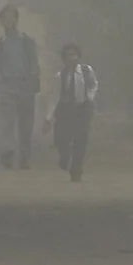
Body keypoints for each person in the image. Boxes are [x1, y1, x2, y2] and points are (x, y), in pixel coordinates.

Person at [0, 4, 40, 169]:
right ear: (1, 21)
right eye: (6, 18)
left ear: (17, 20)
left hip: (25, 86)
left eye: (12, 17)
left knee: (25, 124)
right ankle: (8, 151)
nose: (9, 21)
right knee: (7, 122)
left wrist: (32, 80)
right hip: (6, 87)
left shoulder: (27, 41)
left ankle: (24, 156)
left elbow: (33, 63)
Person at [43, 43, 98, 182]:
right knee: (61, 138)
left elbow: (93, 85)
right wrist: (48, 117)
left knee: (81, 140)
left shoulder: (87, 71)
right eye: (68, 55)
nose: (72, 58)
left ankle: (76, 169)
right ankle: (64, 158)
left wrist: (89, 98)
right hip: (65, 110)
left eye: (74, 55)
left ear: (78, 56)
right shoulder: (60, 76)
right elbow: (54, 97)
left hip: (81, 109)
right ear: (64, 58)